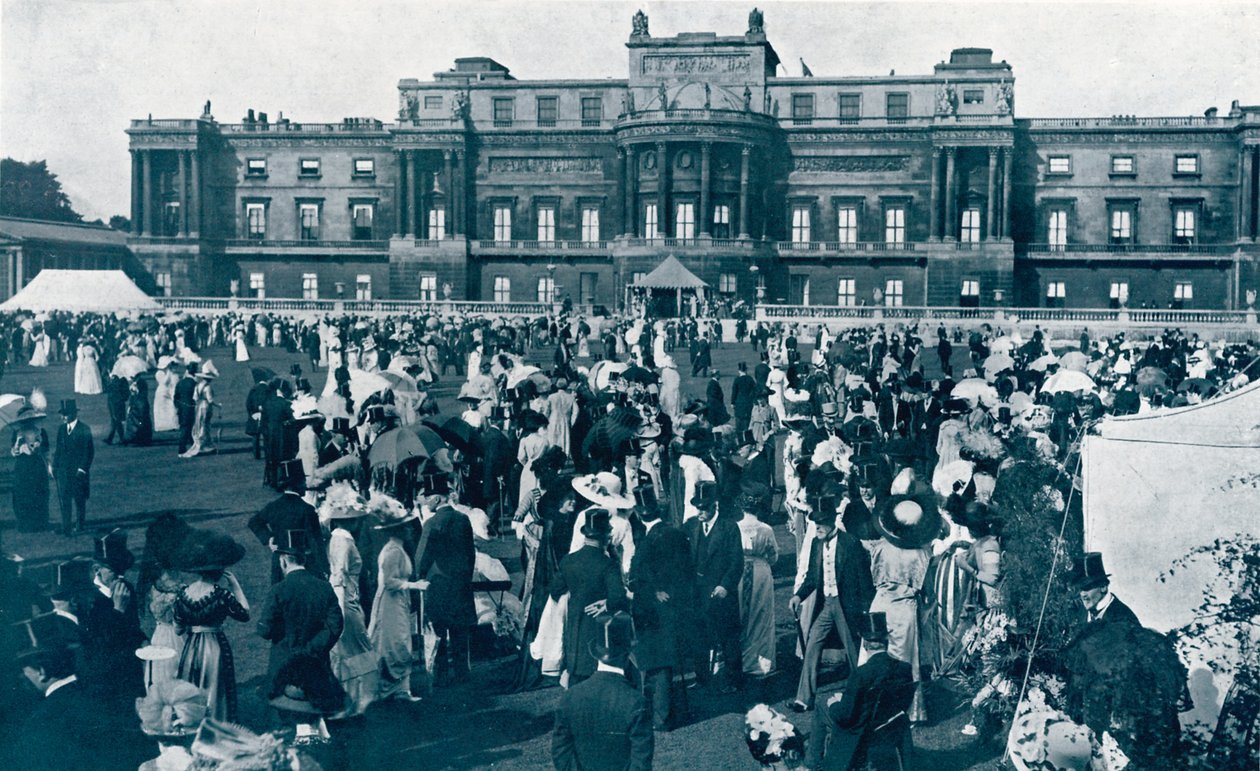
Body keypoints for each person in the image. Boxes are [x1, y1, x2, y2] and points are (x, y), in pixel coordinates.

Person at [789, 488, 874, 713]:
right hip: (826, 604)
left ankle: (861, 696)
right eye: (814, 523)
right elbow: (811, 578)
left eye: (820, 523)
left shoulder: (850, 544)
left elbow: (864, 580)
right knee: (813, 643)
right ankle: (803, 699)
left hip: (847, 606)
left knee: (854, 653)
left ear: (831, 523)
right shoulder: (817, 543)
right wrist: (798, 595)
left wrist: (867, 610)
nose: (816, 528)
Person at [8, 613, 126, 770]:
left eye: (23, 670)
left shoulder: (39, 723)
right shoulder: (111, 696)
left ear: (42, 671)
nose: (21, 677)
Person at [808, 612, 915, 771]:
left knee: (821, 706)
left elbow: (845, 716)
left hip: (859, 729)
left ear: (864, 643)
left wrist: (834, 704)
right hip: (887, 723)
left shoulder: (861, 674)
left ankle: (813, 763)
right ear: (886, 640)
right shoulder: (904, 668)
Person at [256, 529, 345, 716]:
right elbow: (336, 625)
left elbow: (265, 630)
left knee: (286, 712)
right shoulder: (324, 587)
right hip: (316, 660)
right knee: (316, 707)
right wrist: (313, 648)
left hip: (283, 661)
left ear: (284, 560)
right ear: (304, 559)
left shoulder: (278, 590)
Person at [551, 612, 654, 771]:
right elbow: (641, 762)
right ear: (628, 655)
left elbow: (560, 751)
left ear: (596, 655)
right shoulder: (636, 702)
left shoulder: (570, 697)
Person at [628, 486, 693, 731]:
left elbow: (638, 577)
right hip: (673, 606)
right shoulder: (675, 534)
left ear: (639, 512)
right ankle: (665, 713)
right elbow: (686, 571)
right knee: (665, 660)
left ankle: (661, 717)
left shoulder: (647, 540)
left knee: (656, 663)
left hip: (651, 611)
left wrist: (653, 590)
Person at [171, 530, 250, 721]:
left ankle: (191, 726)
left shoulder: (183, 594)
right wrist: (235, 585)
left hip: (191, 647)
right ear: (220, 570)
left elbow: (178, 629)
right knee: (216, 690)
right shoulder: (221, 595)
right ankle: (216, 727)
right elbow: (245, 614)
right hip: (215, 646)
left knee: (191, 688)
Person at [550, 508, 628, 686]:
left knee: (577, 673)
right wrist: (607, 603)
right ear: (605, 536)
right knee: (597, 673)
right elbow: (618, 596)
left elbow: (555, 590)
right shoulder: (607, 564)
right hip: (599, 628)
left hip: (575, 624)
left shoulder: (568, 560)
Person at [683, 480, 744, 693]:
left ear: (714, 505)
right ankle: (702, 678)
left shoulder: (729, 528)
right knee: (699, 635)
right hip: (698, 592)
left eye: (704, 508)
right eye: (697, 507)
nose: (700, 512)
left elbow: (737, 562)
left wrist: (725, 586)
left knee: (728, 637)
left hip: (721, 592)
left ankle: (733, 680)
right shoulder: (690, 526)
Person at [416, 495, 479, 685]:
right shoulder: (463, 519)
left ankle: (440, 673)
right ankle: (462, 672)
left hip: (438, 583)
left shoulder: (431, 523)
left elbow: (422, 556)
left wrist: (419, 576)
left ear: (437, 499)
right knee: (460, 629)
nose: (425, 502)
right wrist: (466, 575)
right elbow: (471, 552)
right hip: (460, 581)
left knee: (439, 630)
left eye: (428, 498)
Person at [324, 495, 377, 716]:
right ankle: (359, 700)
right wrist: (342, 611)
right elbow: (339, 577)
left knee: (349, 651)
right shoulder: (344, 541)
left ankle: (353, 699)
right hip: (345, 600)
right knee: (357, 648)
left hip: (345, 598)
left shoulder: (338, 538)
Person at [367, 496, 423, 702]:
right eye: (405, 528)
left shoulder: (398, 549)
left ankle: (399, 688)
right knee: (395, 642)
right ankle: (391, 688)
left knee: (400, 641)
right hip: (391, 602)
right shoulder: (392, 552)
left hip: (398, 600)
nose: (409, 531)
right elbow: (390, 582)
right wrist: (413, 585)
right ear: (397, 530)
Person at [249, 459, 329, 584]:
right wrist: (324, 568)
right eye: (302, 481)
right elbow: (315, 541)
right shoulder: (307, 510)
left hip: (279, 561)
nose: (305, 485)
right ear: (296, 484)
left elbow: (254, 522)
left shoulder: (273, 506)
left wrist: (269, 538)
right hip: (303, 561)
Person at [736, 484, 779, 679]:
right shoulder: (766, 529)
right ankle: (761, 663)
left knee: (743, 613)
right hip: (761, 571)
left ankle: (743, 660)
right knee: (762, 615)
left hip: (740, 572)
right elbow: (774, 555)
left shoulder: (736, 527)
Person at [52, 399, 93, 537]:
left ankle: (80, 525)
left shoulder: (84, 429)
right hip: (64, 472)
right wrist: (55, 466)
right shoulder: (61, 429)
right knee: (65, 499)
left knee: (79, 499)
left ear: (74, 414)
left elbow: (88, 452)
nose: (63, 417)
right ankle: (66, 528)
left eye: (66, 414)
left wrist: (82, 469)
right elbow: (58, 449)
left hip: (78, 473)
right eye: (62, 414)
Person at [1070, 552, 1139, 627]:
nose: (1083, 594)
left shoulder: (1124, 619)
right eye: (1080, 589)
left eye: (1087, 587)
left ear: (1103, 587)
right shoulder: (1082, 612)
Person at [11, 403, 51, 533]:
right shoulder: (17, 434)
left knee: (38, 493)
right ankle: (25, 523)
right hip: (22, 467)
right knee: (23, 495)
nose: (27, 422)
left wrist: (36, 447)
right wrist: (17, 443)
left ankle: (40, 523)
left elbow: (45, 451)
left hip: (36, 466)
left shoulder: (40, 432)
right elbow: (14, 453)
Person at [180, 361, 218, 457]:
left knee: (200, 424)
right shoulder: (208, 387)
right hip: (205, 406)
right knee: (205, 425)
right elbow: (210, 400)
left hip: (199, 406)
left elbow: (195, 398)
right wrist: (218, 405)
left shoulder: (198, 385)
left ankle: (206, 445)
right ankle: (204, 445)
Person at [174, 362, 198, 455]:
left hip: (182, 407)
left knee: (185, 426)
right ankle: (182, 448)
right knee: (188, 427)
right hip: (190, 407)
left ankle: (192, 445)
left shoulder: (181, 382)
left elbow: (176, 396)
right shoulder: (194, 383)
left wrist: (178, 406)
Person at [123, 376, 153, 446]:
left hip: (138, 407)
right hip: (136, 407)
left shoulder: (140, 383)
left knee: (140, 423)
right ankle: (138, 438)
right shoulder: (137, 384)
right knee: (138, 423)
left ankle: (139, 438)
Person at [152, 358, 180, 433]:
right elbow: (164, 382)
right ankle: (161, 426)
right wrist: (168, 373)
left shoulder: (172, 373)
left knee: (171, 408)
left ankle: (172, 425)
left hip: (168, 391)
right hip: (161, 392)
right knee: (161, 410)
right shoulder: (159, 373)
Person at [731, 361, 757, 435]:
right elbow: (754, 390)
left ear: (739, 371)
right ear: (746, 370)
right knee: (748, 420)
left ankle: (740, 435)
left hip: (739, 402)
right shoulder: (750, 379)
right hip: (748, 401)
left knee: (739, 420)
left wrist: (732, 402)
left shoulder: (737, 380)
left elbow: (734, 392)